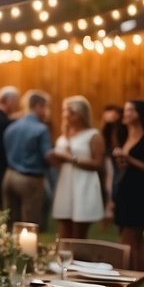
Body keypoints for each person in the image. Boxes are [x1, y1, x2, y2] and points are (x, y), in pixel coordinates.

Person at [113, 100, 144, 271]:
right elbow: (128, 166)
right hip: (127, 191)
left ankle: (130, 277)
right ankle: (140, 276)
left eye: (130, 110)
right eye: (125, 110)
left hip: (142, 193)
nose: (125, 113)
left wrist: (129, 158)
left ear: (140, 114)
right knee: (135, 239)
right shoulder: (125, 136)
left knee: (129, 238)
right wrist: (122, 160)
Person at [48, 96, 105, 240]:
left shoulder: (93, 135)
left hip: (84, 184)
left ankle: (79, 260)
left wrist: (71, 159)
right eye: (65, 111)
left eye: (70, 111)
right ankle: (64, 260)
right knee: (63, 230)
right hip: (65, 183)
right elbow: (60, 165)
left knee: (79, 233)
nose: (66, 115)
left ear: (81, 114)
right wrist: (53, 159)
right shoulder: (63, 136)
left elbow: (98, 164)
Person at [2, 90, 53, 226]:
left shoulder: (11, 127)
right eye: (46, 107)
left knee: (10, 220)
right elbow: (47, 155)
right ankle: (26, 248)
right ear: (38, 106)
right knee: (29, 222)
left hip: (9, 176)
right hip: (30, 178)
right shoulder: (41, 129)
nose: (48, 112)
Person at [101, 104, 127, 221]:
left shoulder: (123, 128)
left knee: (117, 183)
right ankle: (110, 208)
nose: (109, 115)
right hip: (110, 158)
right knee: (110, 183)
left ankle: (115, 208)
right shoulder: (107, 129)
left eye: (112, 112)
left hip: (120, 159)